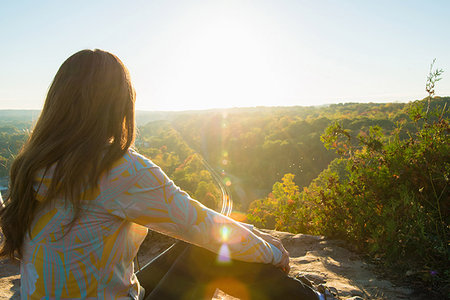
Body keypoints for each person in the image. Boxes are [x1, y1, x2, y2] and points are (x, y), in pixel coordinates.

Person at [0, 49, 327, 299]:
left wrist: (249, 233)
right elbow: (203, 226)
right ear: (120, 103)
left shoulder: (32, 163)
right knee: (213, 251)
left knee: (211, 244)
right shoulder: (116, 168)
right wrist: (271, 251)